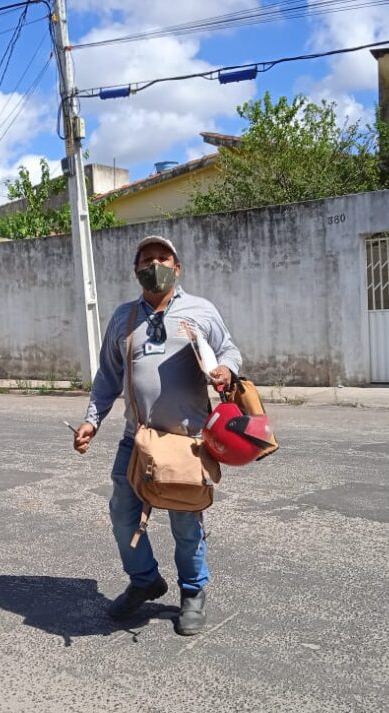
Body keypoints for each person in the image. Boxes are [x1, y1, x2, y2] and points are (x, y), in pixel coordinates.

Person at [73, 235, 242, 635]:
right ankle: (145, 580)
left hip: (187, 441)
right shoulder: (122, 318)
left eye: (163, 258)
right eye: (146, 259)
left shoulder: (201, 310)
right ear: (136, 269)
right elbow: (107, 379)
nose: (155, 264)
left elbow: (230, 350)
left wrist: (226, 371)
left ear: (177, 267)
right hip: (138, 439)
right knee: (122, 516)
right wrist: (91, 421)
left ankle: (192, 593)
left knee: (186, 523)